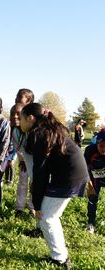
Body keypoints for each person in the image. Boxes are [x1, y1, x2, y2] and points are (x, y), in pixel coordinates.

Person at [20, 102, 88, 268]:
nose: (19, 122)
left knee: (47, 217)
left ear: (30, 118)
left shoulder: (39, 134)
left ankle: (60, 259)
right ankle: (59, 256)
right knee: (50, 216)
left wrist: (36, 205)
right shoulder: (47, 129)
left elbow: (40, 173)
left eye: (21, 118)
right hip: (73, 176)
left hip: (69, 178)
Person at [10, 103, 34, 217]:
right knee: (22, 182)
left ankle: (33, 208)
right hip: (23, 160)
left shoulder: (32, 129)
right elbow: (17, 147)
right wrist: (22, 160)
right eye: (12, 114)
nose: (15, 116)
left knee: (34, 183)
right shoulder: (15, 131)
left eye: (18, 114)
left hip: (35, 160)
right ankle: (19, 208)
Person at [84, 129, 105, 234]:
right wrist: (89, 183)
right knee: (92, 198)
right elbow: (84, 168)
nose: (104, 149)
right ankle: (91, 223)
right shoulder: (90, 150)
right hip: (95, 177)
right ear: (97, 143)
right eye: (101, 146)